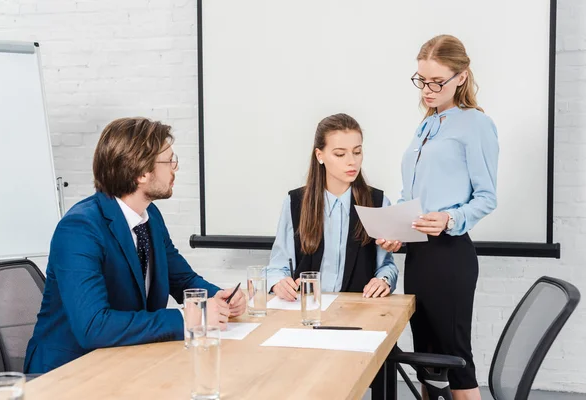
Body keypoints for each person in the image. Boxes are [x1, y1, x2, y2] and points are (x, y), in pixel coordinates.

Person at [24, 117, 246, 374]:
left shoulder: (150, 218)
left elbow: (183, 280)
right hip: (67, 372)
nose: (175, 169)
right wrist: (187, 317)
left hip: (125, 361)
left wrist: (219, 297)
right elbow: (93, 326)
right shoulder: (80, 229)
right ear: (141, 173)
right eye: (169, 161)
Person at [379, 35, 498, 400]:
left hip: (449, 257)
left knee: (457, 363)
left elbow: (487, 198)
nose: (427, 90)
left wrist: (448, 219)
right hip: (418, 257)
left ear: (460, 77)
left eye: (436, 82)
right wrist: (396, 228)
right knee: (428, 365)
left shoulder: (474, 125)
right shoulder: (426, 126)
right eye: (421, 80)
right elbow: (412, 195)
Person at [267, 113, 398, 300]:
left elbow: (386, 265)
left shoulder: (378, 202)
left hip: (358, 311)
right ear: (319, 155)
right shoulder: (295, 202)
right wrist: (278, 282)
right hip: (306, 312)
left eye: (357, 152)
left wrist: (383, 280)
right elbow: (277, 266)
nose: (351, 161)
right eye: (340, 154)